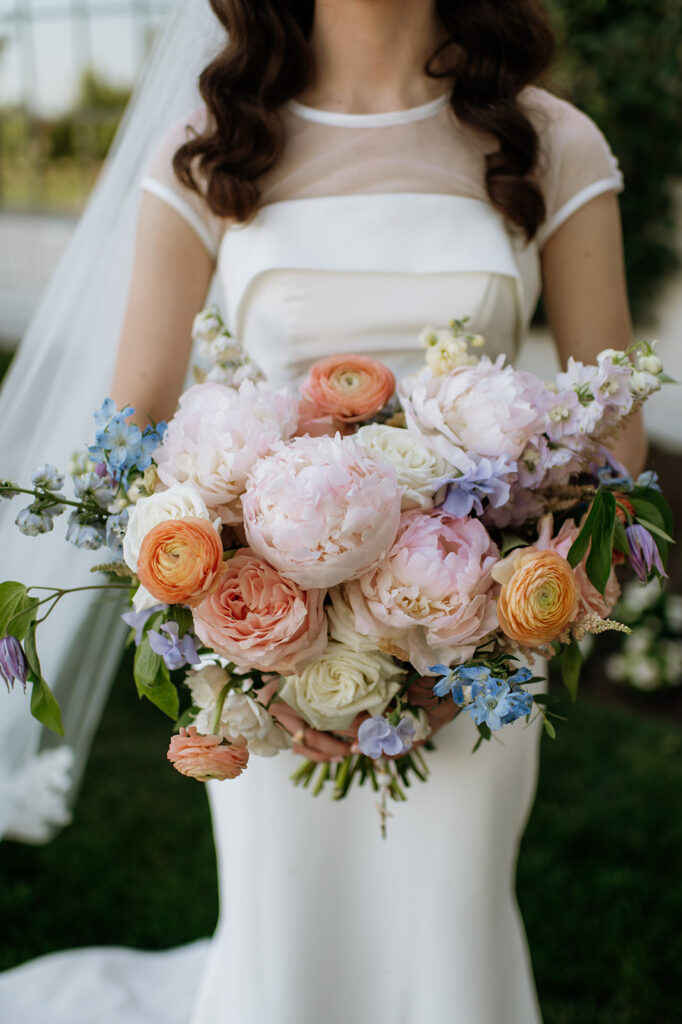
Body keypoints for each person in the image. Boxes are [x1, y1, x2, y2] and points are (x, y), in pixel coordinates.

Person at [0, 0, 647, 1021]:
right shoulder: (213, 145)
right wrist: (239, 656)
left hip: (478, 657)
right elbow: (135, 433)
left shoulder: (550, 140)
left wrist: (504, 638)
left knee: (450, 938)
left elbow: (613, 441)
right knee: (285, 944)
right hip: (268, 665)